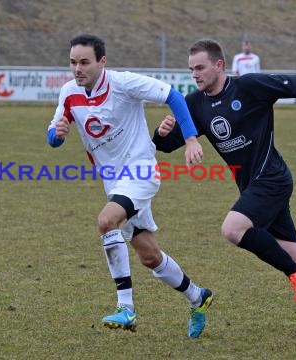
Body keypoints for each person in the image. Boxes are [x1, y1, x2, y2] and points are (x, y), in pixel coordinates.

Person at [153, 39, 296, 335]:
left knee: (232, 229)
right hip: (252, 186)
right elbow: (168, 145)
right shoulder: (195, 103)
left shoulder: (249, 86)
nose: (195, 74)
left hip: (273, 178)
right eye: (191, 69)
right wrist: (161, 133)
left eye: (200, 67)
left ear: (219, 65)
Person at [47, 34, 213, 338]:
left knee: (106, 221)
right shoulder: (69, 93)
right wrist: (57, 134)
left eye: (84, 62)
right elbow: (54, 135)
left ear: (102, 62)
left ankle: (126, 308)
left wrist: (190, 139)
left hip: (140, 171)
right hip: (113, 181)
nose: (77, 68)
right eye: (73, 62)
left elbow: (173, 97)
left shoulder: (123, 83)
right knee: (150, 256)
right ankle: (198, 296)